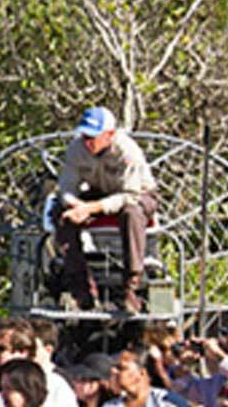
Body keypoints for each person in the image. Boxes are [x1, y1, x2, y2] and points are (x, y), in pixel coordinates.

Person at [55, 107, 158, 314]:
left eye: (93, 137)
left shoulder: (127, 151)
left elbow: (130, 194)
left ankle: (131, 287)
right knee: (61, 215)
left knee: (132, 214)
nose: (88, 142)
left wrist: (91, 208)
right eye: (84, 136)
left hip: (136, 195)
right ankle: (81, 288)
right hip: (97, 193)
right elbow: (66, 187)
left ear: (109, 135)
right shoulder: (76, 149)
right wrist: (74, 205)